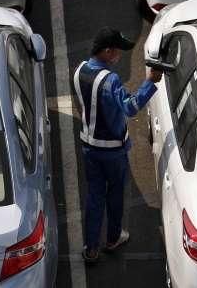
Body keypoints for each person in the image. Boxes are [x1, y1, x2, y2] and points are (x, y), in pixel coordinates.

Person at [73, 27, 163, 263]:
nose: (119, 56)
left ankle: (91, 248)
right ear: (106, 51)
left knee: (94, 197)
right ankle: (113, 238)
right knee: (114, 196)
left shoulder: (79, 71)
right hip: (112, 151)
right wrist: (150, 82)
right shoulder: (110, 80)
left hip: (88, 146)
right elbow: (130, 107)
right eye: (116, 51)